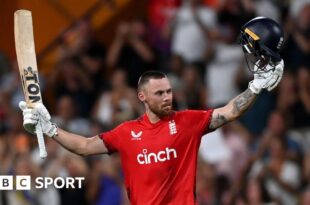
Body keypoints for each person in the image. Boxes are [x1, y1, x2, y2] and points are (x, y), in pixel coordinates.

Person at [19, 17, 284, 205]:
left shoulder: (187, 122)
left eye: (169, 91)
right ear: (142, 97)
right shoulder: (127, 132)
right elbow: (85, 146)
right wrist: (50, 128)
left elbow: (229, 112)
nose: (168, 97)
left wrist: (257, 87)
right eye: (160, 93)